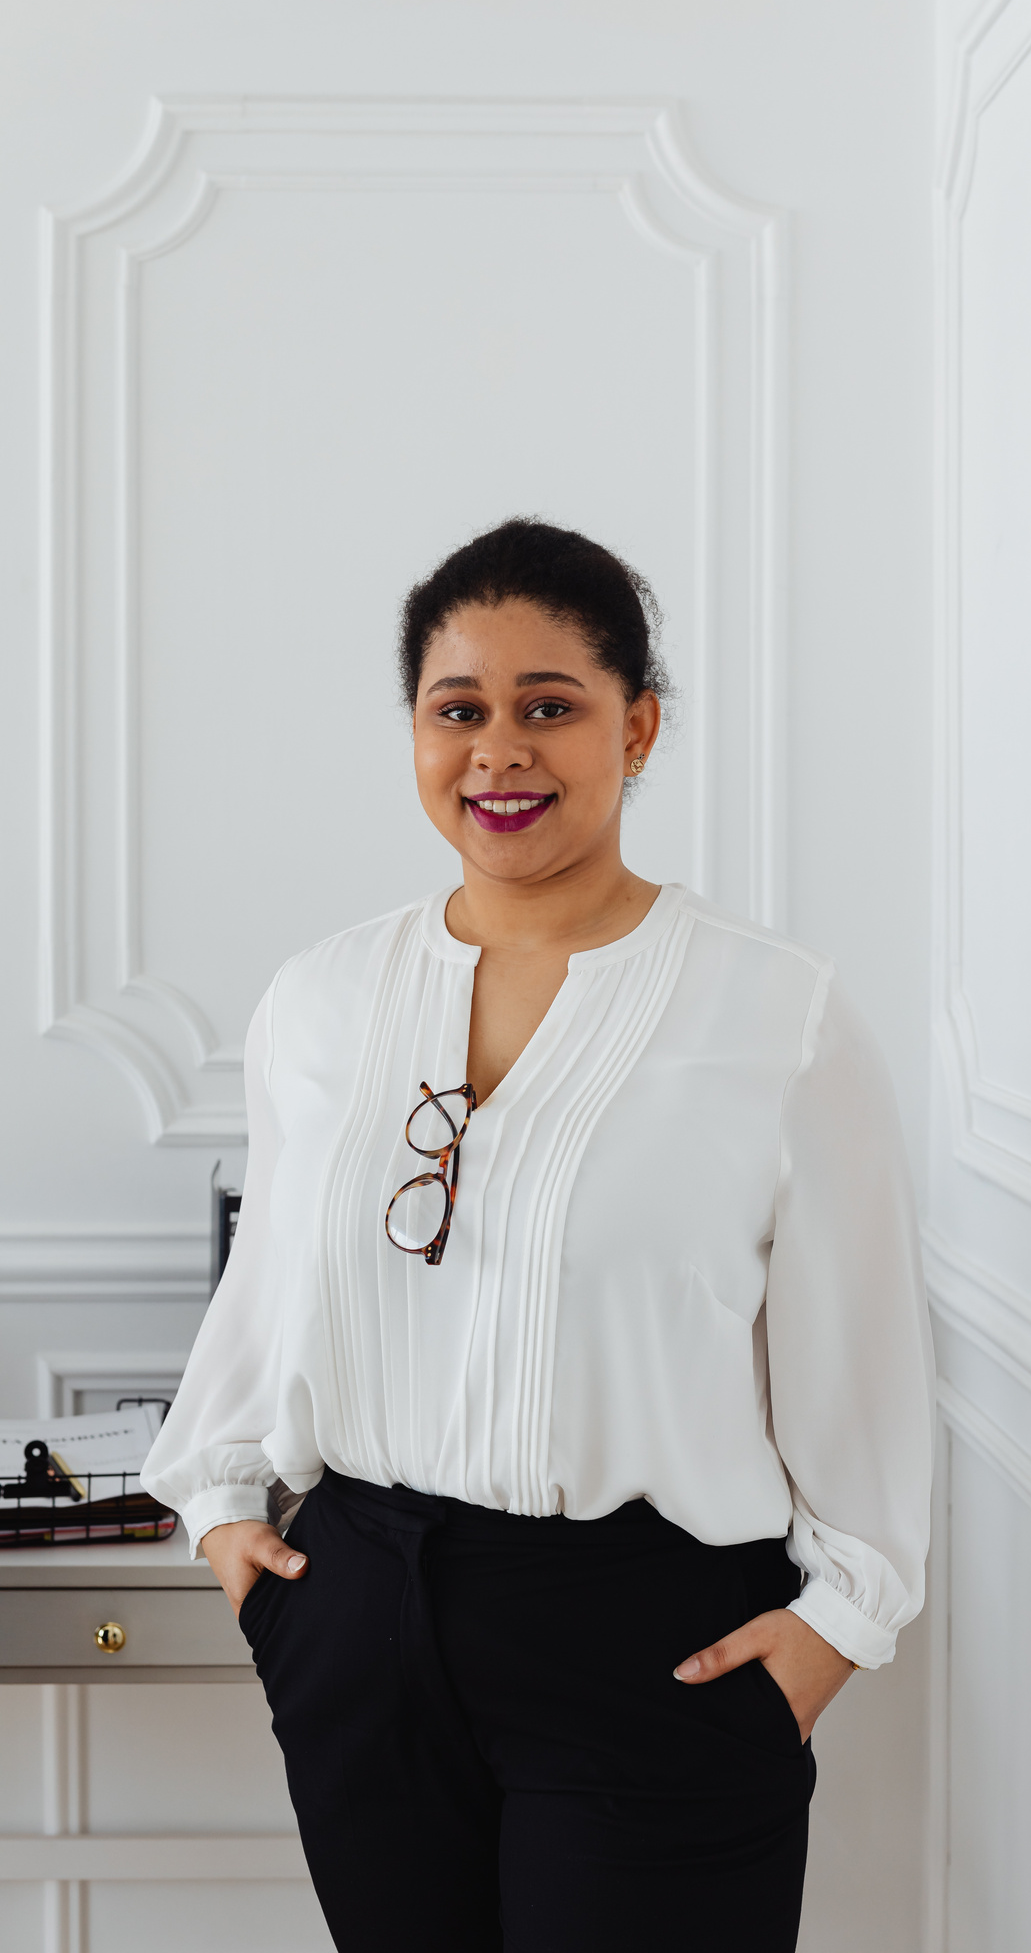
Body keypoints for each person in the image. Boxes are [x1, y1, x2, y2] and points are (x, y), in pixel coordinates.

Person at [142, 517, 935, 1953]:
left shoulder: (778, 1017)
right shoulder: (318, 1002)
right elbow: (269, 1295)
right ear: (417, 736)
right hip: (361, 1618)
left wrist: (838, 1625)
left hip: (651, 1635)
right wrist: (224, 1521)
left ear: (635, 728)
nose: (499, 751)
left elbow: (864, 1352)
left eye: (549, 707)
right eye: (460, 711)